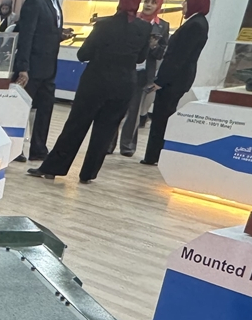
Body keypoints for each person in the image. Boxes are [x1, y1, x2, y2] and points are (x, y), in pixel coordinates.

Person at [28, 0, 150, 183]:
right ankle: (88, 174)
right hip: (124, 84)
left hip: (96, 82)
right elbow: (141, 58)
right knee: (106, 130)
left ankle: (53, 168)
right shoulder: (145, 28)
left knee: (76, 126)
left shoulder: (104, 24)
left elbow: (83, 54)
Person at [140, 0, 209, 166]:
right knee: (162, 117)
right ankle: (155, 154)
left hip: (174, 80)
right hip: (177, 78)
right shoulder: (196, 22)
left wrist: (161, 80)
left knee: (161, 117)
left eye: (186, 2)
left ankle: (154, 155)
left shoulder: (195, 25)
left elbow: (179, 57)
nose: (183, 5)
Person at [110, 0, 169, 156]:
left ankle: (127, 145)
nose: (148, 5)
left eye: (153, 3)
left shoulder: (162, 26)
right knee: (115, 107)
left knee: (134, 111)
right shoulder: (130, 19)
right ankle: (109, 143)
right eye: (146, 1)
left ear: (158, 6)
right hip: (124, 68)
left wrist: (154, 45)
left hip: (143, 73)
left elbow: (161, 53)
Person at [12, 0, 66, 163]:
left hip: (49, 67)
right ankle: (16, 149)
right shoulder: (35, 3)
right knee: (21, 110)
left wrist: (59, 35)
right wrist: (23, 67)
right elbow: (26, 35)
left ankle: (38, 149)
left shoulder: (55, 4)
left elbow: (46, 33)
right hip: (32, 67)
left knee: (45, 109)